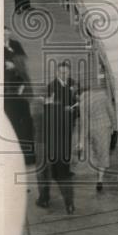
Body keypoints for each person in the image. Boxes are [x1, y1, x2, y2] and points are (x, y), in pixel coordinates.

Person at [36, 60, 79, 214]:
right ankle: (53, 200)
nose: (64, 75)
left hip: (64, 136)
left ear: (69, 73)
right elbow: (48, 112)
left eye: (66, 72)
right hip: (54, 138)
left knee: (56, 171)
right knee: (56, 171)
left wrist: (74, 109)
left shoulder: (73, 85)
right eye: (61, 72)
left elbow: (78, 106)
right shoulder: (50, 88)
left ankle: (64, 202)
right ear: (56, 73)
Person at [78, 84, 115, 191]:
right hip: (105, 127)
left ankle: (99, 167)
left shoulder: (83, 103)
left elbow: (84, 124)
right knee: (104, 153)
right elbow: (111, 112)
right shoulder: (102, 95)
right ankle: (100, 179)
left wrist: (81, 141)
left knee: (97, 151)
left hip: (92, 130)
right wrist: (114, 126)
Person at [3, 49, 36, 165]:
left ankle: (25, 158)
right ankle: (28, 158)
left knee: (20, 131)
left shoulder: (14, 75)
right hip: (20, 104)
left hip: (14, 103)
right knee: (25, 131)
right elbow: (28, 92)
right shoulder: (21, 75)